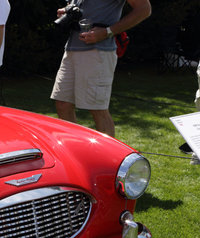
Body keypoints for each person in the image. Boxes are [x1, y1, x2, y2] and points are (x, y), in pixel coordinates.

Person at [50, 0, 151, 137]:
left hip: (98, 52)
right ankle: (76, 151)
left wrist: (107, 32)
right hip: (72, 48)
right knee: (63, 104)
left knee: (97, 109)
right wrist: (67, 10)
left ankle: (109, 157)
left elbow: (144, 9)